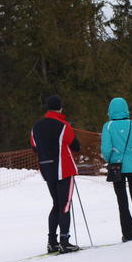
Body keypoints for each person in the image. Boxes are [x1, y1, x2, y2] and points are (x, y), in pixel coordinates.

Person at [30, 95, 81, 253]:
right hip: (64, 169)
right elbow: (76, 145)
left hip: (47, 169)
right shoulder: (63, 125)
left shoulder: (36, 126)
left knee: (56, 204)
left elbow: (34, 146)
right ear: (60, 108)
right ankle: (64, 241)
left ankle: (52, 242)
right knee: (64, 205)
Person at [100, 97, 132, 241]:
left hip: (116, 167)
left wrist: (110, 159)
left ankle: (128, 233)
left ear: (110, 110)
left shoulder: (108, 126)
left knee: (122, 200)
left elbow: (106, 149)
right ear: (126, 108)